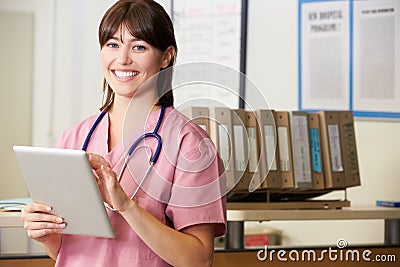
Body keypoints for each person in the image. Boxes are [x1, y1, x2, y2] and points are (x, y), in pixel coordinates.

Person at [20, 0, 227, 266]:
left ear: (166, 56)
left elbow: (198, 259)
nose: (123, 59)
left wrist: (126, 206)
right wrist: (46, 234)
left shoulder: (189, 144)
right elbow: (69, 249)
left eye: (139, 46)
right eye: (112, 45)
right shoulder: (73, 138)